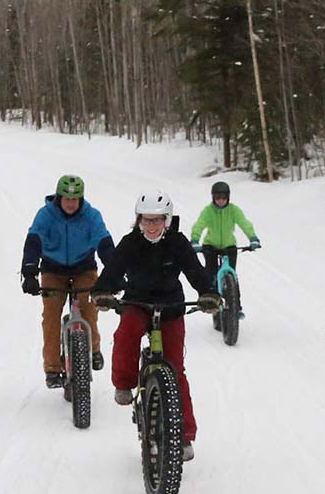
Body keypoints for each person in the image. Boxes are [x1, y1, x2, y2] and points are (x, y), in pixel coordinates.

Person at [95, 192, 221, 462]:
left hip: (170, 306)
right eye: (146, 220)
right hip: (137, 301)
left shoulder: (177, 243)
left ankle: (185, 435)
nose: (151, 226)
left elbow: (195, 271)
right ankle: (124, 384)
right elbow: (113, 270)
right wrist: (103, 291)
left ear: (167, 220)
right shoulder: (130, 243)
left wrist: (208, 292)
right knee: (126, 333)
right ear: (138, 220)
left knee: (175, 369)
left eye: (157, 220)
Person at [21, 174, 116, 389]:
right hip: (53, 268)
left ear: (81, 199)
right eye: (67, 199)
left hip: (84, 266)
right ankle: (53, 369)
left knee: (90, 307)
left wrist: (114, 272)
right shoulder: (46, 215)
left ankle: (93, 348)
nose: (71, 204)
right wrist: (29, 272)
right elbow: (33, 242)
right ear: (59, 198)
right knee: (51, 315)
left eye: (75, 199)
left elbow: (104, 243)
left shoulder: (91, 215)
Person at [189, 181, 260, 321]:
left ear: (228, 197)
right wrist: (195, 240)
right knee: (210, 273)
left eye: (223, 197)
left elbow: (244, 223)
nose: (221, 200)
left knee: (232, 276)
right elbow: (199, 225)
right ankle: (211, 301)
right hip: (210, 246)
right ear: (213, 198)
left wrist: (253, 238)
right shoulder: (208, 211)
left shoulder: (234, 210)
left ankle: (236, 307)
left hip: (229, 246)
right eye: (217, 197)